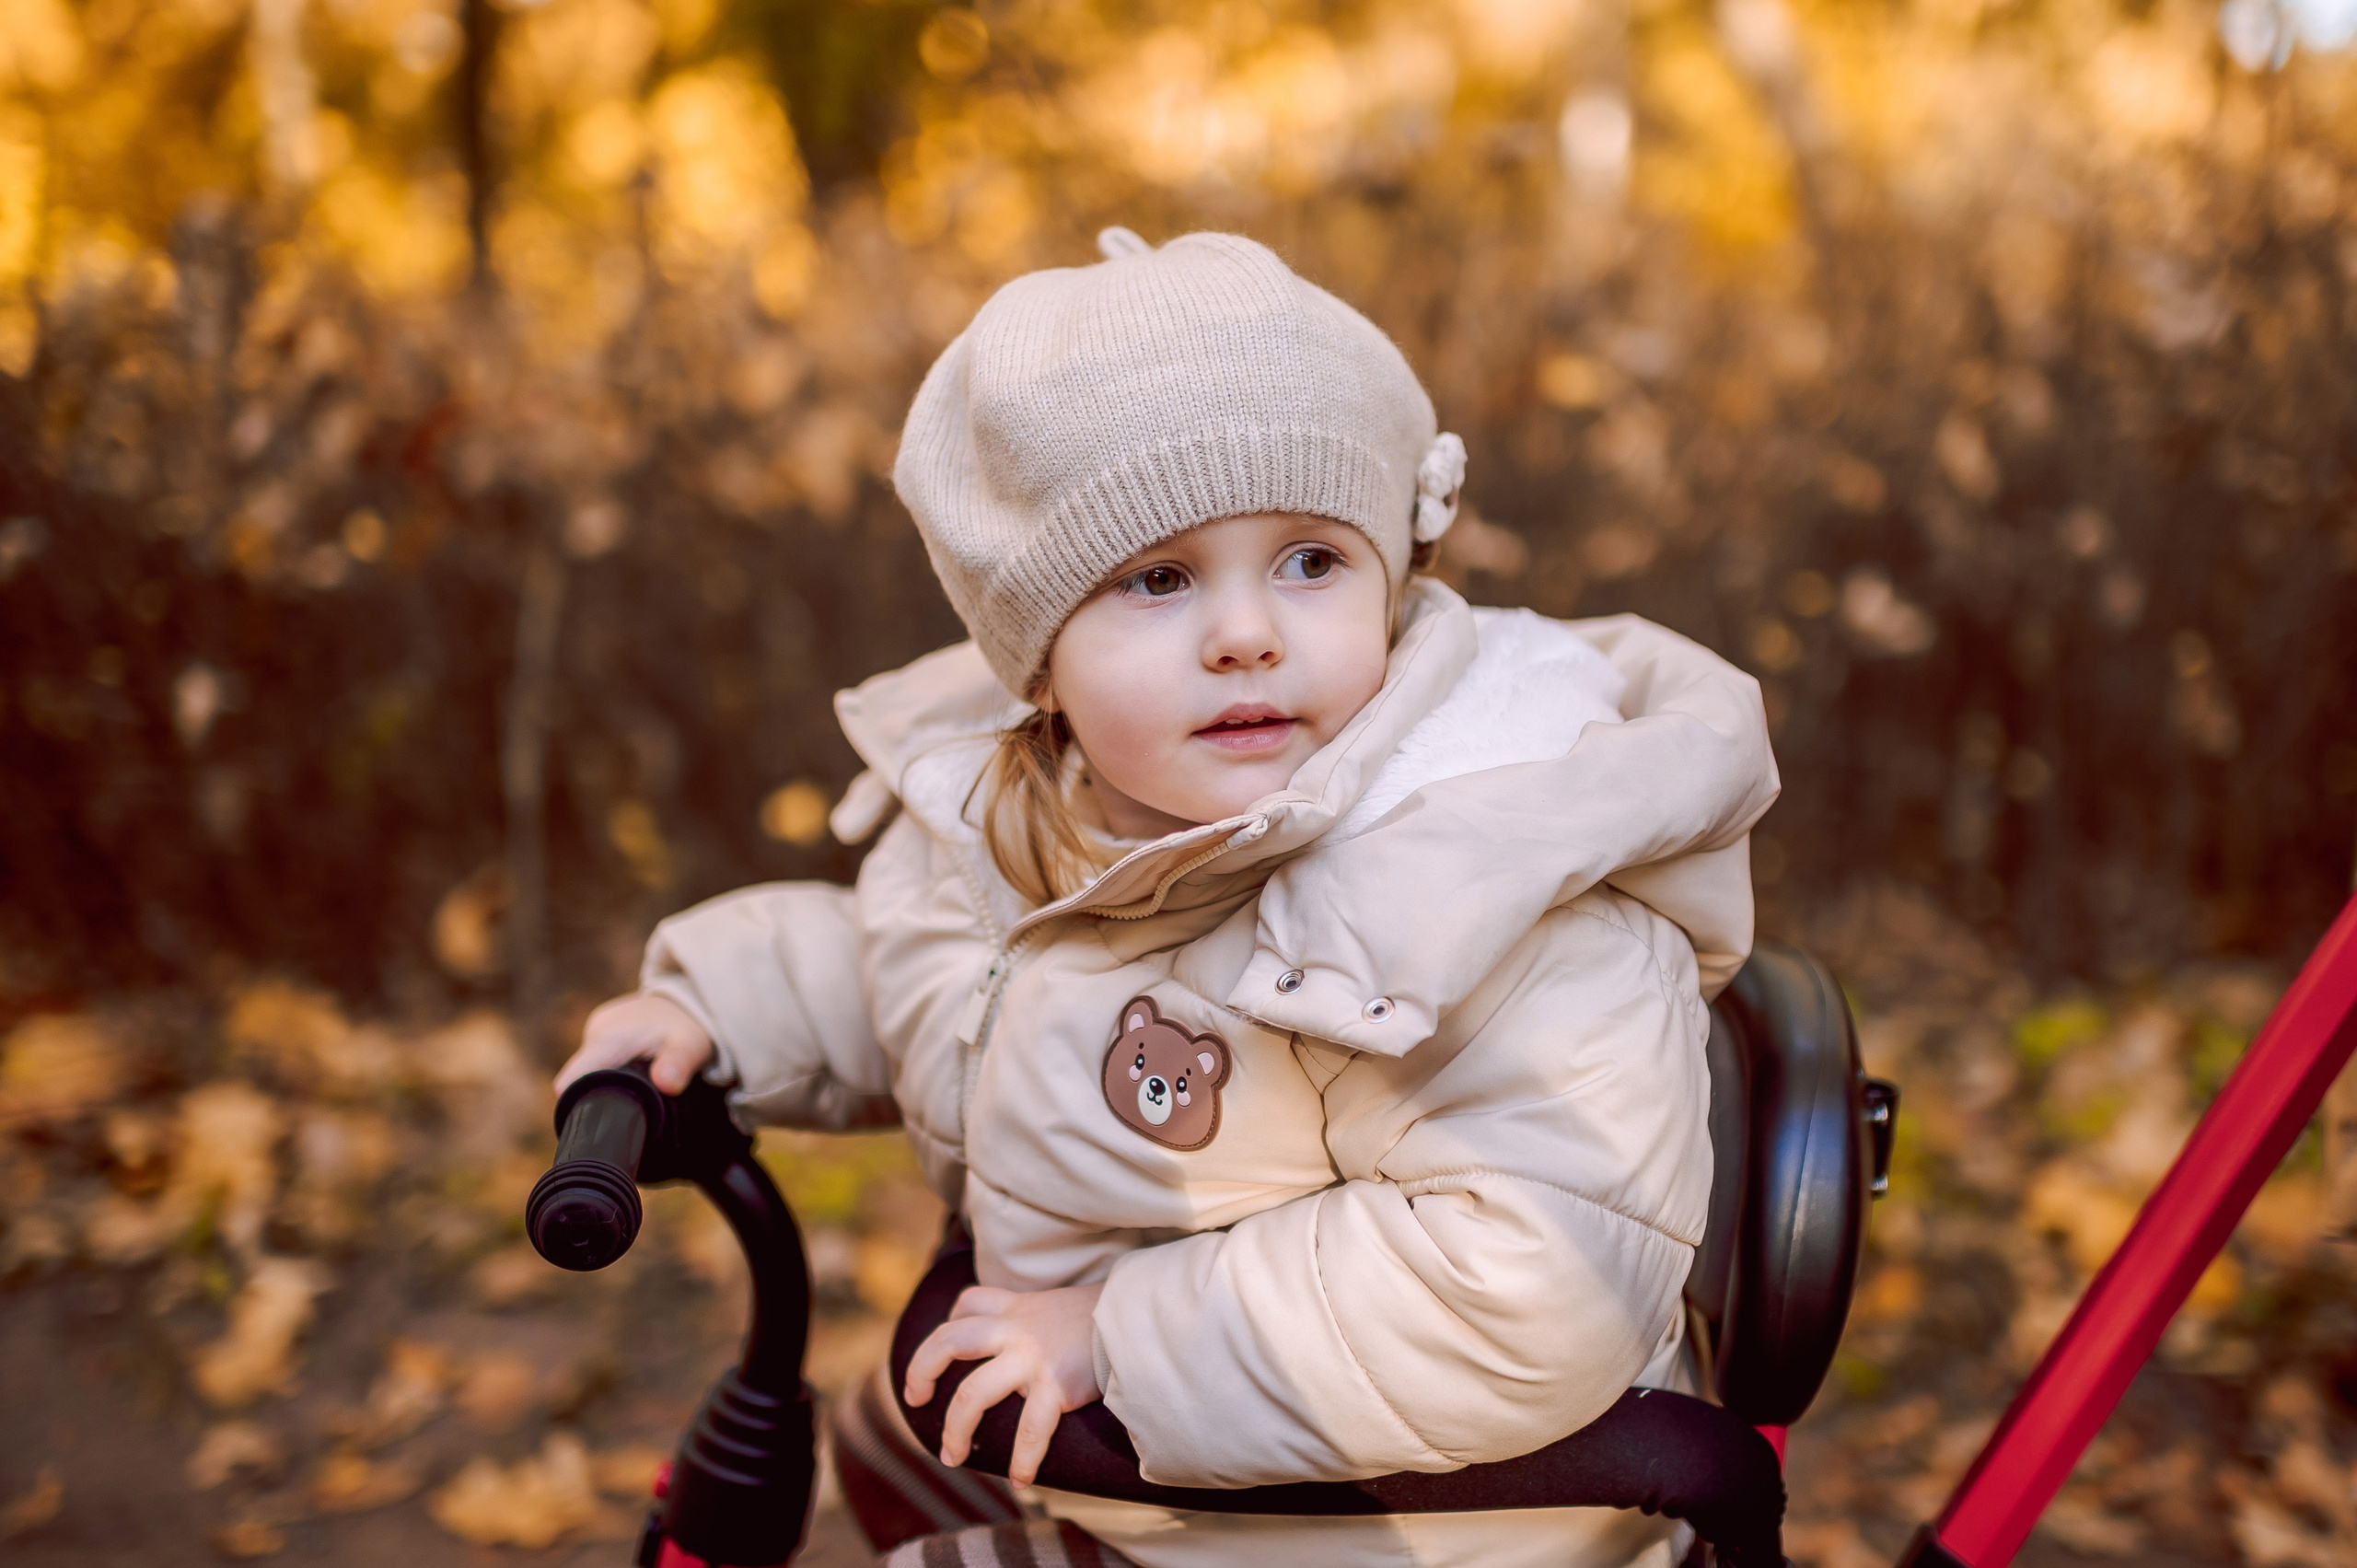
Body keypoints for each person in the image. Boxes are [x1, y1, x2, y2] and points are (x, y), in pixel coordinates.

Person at [555, 227, 1778, 1568]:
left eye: (1310, 561)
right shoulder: (1056, 815)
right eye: (1159, 577)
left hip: (1410, 1535)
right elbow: (951, 976)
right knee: (881, 1434)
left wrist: (1116, 1338)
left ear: (1394, 579)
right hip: (1189, 1489)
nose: (1247, 633)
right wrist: (715, 1011)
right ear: (1039, 663)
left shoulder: (1480, 881)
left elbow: (1532, 1287)